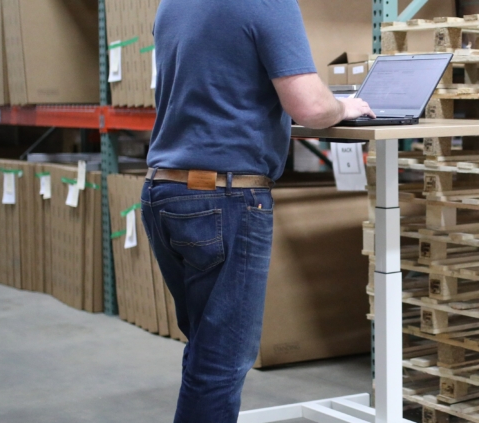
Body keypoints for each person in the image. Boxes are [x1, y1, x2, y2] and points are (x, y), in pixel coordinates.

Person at [140, 1, 373, 422]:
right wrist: (344, 106)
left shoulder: (172, 3)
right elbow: (309, 107)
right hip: (224, 198)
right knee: (221, 363)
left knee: (205, 349)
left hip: (165, 190)